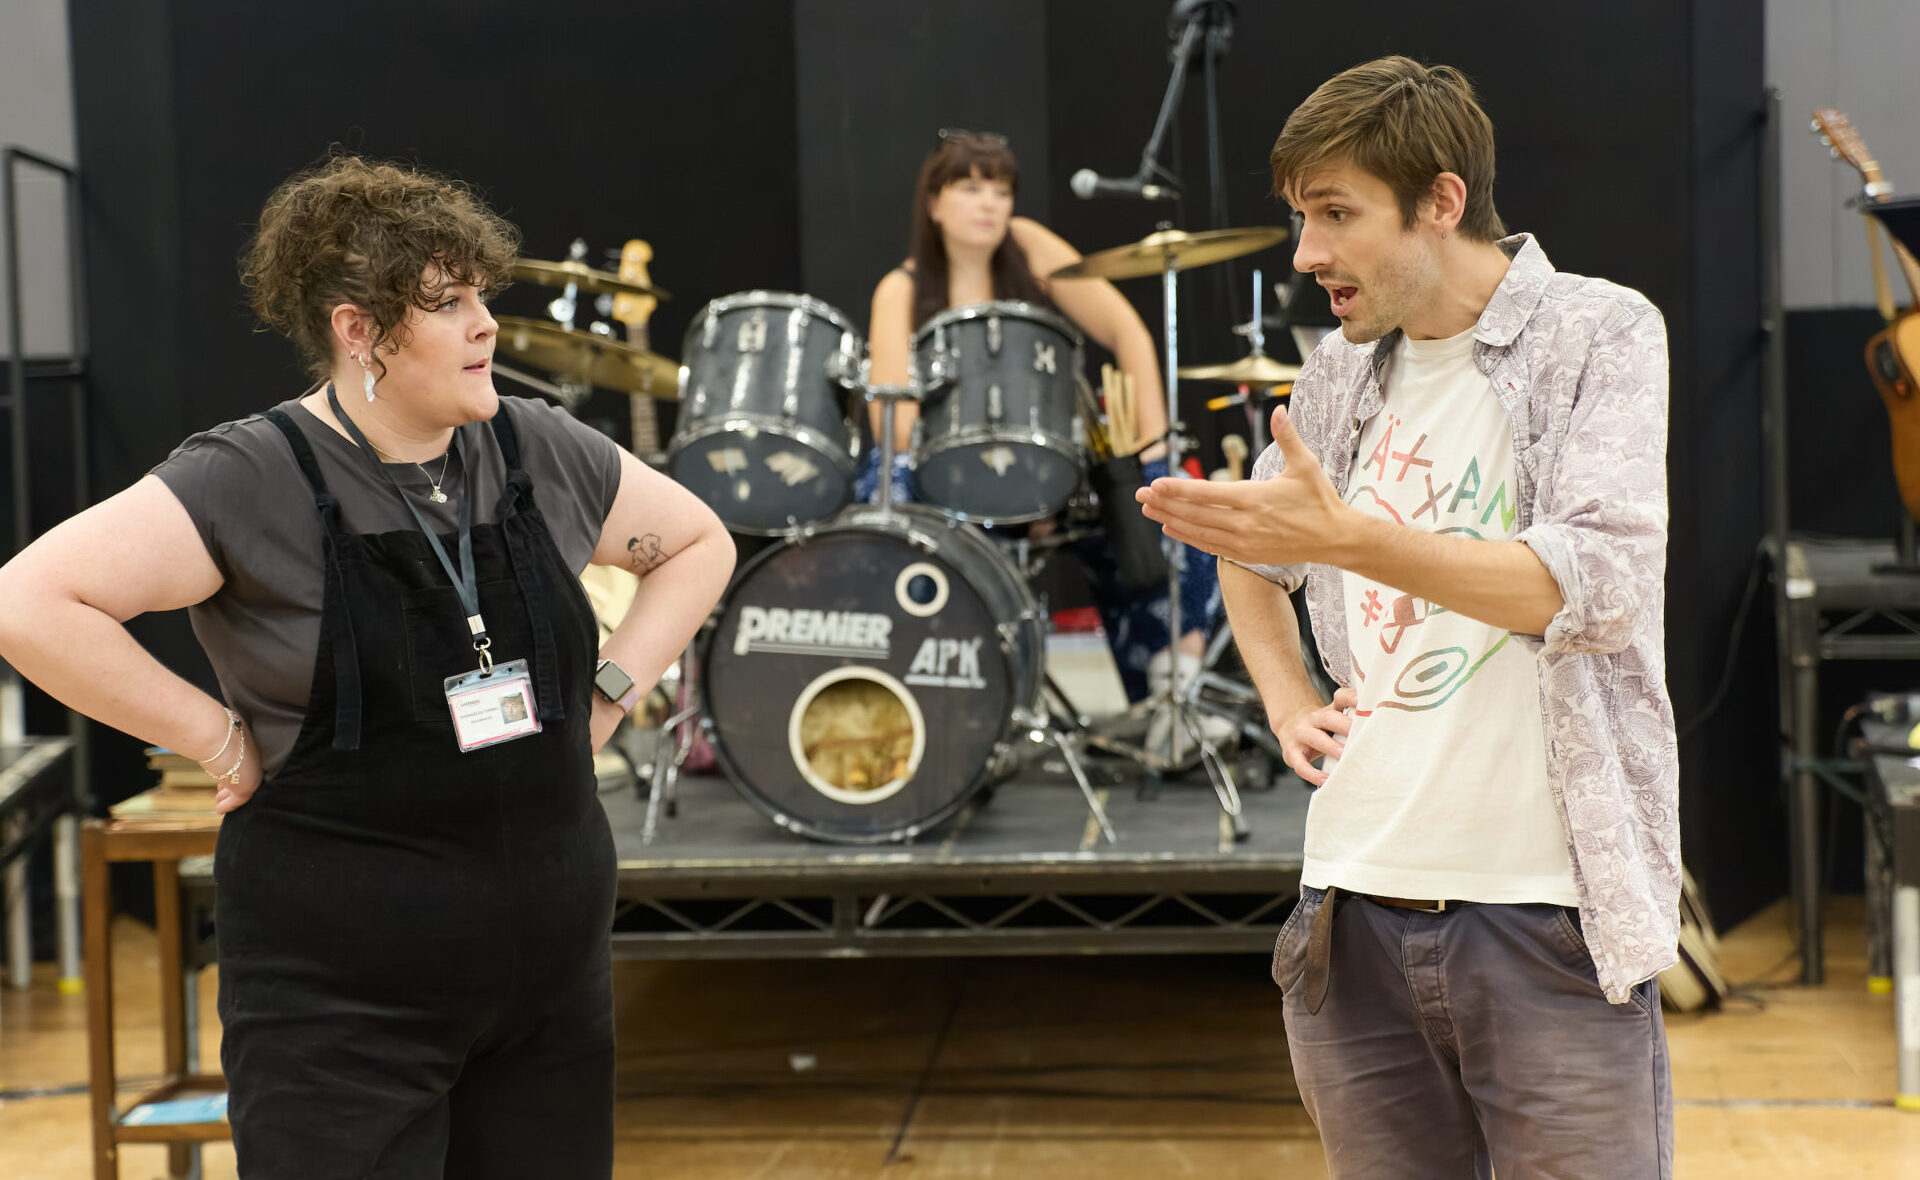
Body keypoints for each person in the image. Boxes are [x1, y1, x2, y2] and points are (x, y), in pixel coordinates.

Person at [0, 155, 734, 1176]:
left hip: (548, 999)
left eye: (481, 295)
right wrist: (213, 735)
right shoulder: (252, 475)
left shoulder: (532, 447)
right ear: (359, 331)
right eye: (448, 303)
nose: (486, 324)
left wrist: (612, 689)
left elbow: (701, 543)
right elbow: (25, 602)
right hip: (340, 1016)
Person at [1138, 57, 1678, 1177]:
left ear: (1440, 199)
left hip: (1545, 916)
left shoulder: (1599, 331)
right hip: (1351, 914)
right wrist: (1286, 694)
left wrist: (1346, 540)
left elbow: (1590, 590)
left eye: (1337, 214)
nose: (1307, 254)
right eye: (1300, 217)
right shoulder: (1336, 373)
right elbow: (1256, 557)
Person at [864, 129, 1222, 730]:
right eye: (972, 188)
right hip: (941, 477)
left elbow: (1127, 331)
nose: (990, 204)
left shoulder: (1027, 247)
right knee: (885, 494)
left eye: (1002, 191)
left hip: (1051, 462)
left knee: (1168, 501)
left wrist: (1152, 441)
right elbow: (890, 423)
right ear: (934, 203)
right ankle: (925, 703)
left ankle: (1172, 692)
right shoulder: (901, 289)